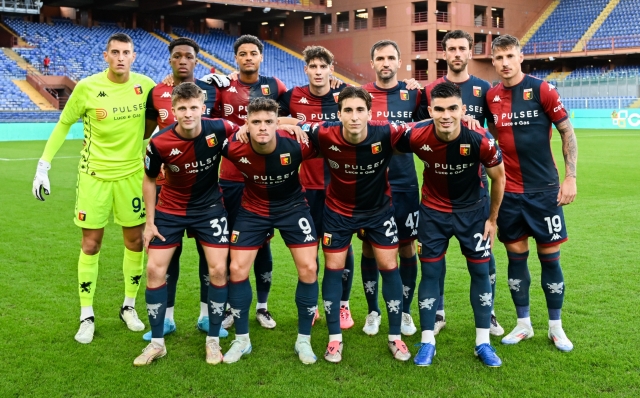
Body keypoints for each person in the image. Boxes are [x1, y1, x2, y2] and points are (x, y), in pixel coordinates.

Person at [31, 33, 156, 344]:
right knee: (91, 244)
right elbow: (63, 124)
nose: (120, 57)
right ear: (106, 56)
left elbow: (165, 112)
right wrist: (43, 165)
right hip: (94, 176)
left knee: (135, 242)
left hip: (131, 177)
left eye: (126, 52)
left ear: (134, 56)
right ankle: (86, 313)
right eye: (115, 52)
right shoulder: (87, 88)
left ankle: (128, 306)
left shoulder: (146, 85)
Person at [299, 86, 412, 363]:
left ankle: (395, 337)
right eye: (347, 110)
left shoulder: (385, 132)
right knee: (334, 269)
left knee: (389, 266)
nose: (354, 116)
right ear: (339, 115)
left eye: (360, 110)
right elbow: (294, 123)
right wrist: (280, 122)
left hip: (379, 212)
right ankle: (334, 340)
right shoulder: (325, 133)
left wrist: (466, 120)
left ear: (369, 114)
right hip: (338, 212)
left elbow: (424, 127)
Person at [396, 82, 506, 367]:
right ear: (430, 110)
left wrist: (492, 220)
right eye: (440, 109)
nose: (446, 115)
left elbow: (499, 178)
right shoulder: (417, 135)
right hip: (433, 214)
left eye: (453, 108)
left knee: (481, 273)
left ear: (463, 109)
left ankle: (483, 342)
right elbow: (384, 142)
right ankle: (427, 340)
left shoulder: (480, 138)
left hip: (474, 214)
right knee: (430, 275)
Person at [135, 82, 237, 366]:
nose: (189, 113)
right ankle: (157, 343)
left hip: (210, 208)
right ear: (173, 110)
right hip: (171, 209)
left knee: (218, 269)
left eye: (194, 107)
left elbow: (253, 128)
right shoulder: (159, 143)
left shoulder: (219, 128)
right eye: (182, 108)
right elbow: (149, 179)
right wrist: (150, 222)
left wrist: (289, 124)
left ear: (202, 108)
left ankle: (213, 341)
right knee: (155, 269)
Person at [487, 35, 578, 352]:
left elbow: (567, 131)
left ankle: (556, 327)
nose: (505, 63)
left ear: (520, 57)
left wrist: (570, 177)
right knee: (516, 258)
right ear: (494, 61)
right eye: (499, 58)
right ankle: (523, 324)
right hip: (510, 194)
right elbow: (490, 139)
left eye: (510, 56)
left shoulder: (542, 89)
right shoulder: (492, 97)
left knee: (550, 259)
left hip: (544, 193)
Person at [143, 37, 230, 341]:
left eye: (188, 56)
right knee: (166, 262)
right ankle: (165, 320)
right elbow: (145, 131)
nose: (189, 112)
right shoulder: (157, 94)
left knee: (214, 264)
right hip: (170, 195)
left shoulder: (214, 94)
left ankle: (208, 318)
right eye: (182, 108)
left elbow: (242, 122)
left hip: (207, 201)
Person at [222, 98, 319, 365]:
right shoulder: (233, 146)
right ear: (247, 124)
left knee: (309, 268)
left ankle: (304, 340)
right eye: (256, 122)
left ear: (277, 123)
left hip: (293, 208)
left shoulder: (298, 144)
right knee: (237, 270)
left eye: (268, 122)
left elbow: (331, 133)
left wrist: (294, 123)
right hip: (253, 209)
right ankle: (242, 340)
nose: (262, 127)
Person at [421, 30, 504, 337]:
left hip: (476, 187)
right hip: (437, 186)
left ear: (470, 52)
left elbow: (493, 133)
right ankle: (438, 311)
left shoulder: (484, 89)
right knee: (433, 257)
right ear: (445, 53)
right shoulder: (430, 90)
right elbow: (420, 129)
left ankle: (489, 311)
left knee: (485, 253)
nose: (457, 53)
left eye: (462, 48)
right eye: (451, 49)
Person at [213, 35, 288, 330]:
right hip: (231, 176)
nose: (248, 58)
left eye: (253, 53)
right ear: (236, 58)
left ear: (261, 57)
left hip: (262, 177)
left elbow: (290, 116)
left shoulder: (276, 86)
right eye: (242, 53)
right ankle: (233, 306)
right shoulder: (221, 88)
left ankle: (263, 307)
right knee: (235, 242)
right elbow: (208, 122)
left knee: (263, 241)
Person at [277, 45, 354, 328]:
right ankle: (312, 306)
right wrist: (292, 122)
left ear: (331, 70)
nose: (319, 71)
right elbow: (270, 119)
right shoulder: (292, 96)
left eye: (324, 67)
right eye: (313, 66)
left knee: (342, 247)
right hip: (307, 186)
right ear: (305, 69)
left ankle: (343, 306)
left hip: (341, 184)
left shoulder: (343, 94)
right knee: (309, 248)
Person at [358, 40, 424, 337]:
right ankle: (373, 311)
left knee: (408, 246)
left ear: (400, 63)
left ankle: (406, 311)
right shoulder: (361, 96)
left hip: (405, 182)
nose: (385, 62)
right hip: (371, 184)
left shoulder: (413, 94)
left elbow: (433, 125)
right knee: (370, 245)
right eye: (380, 58)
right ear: (372, 63)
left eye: (391, 58)